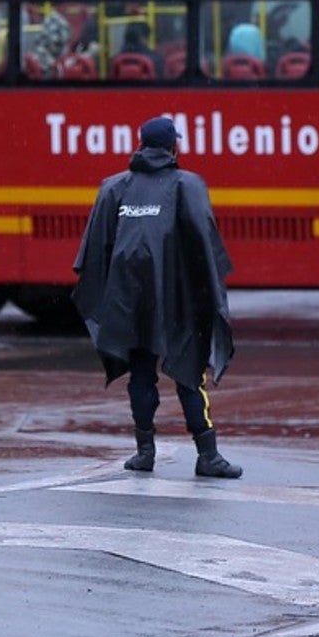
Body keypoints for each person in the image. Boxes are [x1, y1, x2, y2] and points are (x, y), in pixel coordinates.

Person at [72, 116, 242, 479]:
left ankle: (144, 451)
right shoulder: (188, 185)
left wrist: (111, 299)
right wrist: (207, 298)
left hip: (130, 300)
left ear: (141, 144)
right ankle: (207, 455)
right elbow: (205, 245)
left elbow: (96, 252)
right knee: (188, 375)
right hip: (178, 300)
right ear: (173, 147)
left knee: (141, 375)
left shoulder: (113, 188)